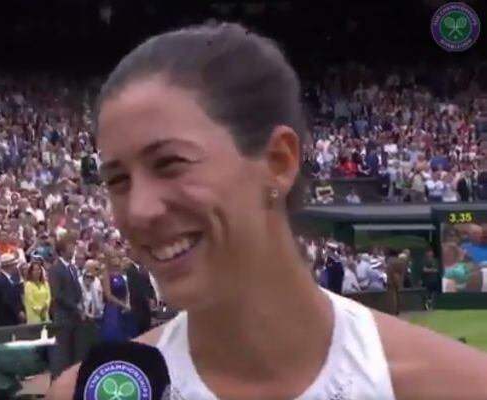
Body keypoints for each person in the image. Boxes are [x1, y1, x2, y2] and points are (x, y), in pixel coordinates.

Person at [48, 23, 487, 400]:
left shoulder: (455, 385)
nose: (139, 211)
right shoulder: (90, 391)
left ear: (278, 162)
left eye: (171, 164)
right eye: (117, 180)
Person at [47, 233, 82, 378]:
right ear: (62, 250)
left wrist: (79, 303)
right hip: (62, 315)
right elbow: (57, 294)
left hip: (74, 316)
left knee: (73, 352)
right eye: (70, 246)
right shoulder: (56, 269)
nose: (73, 249)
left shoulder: (72, 268)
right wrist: (74, 306)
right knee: (62, 352)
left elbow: (77, 290)